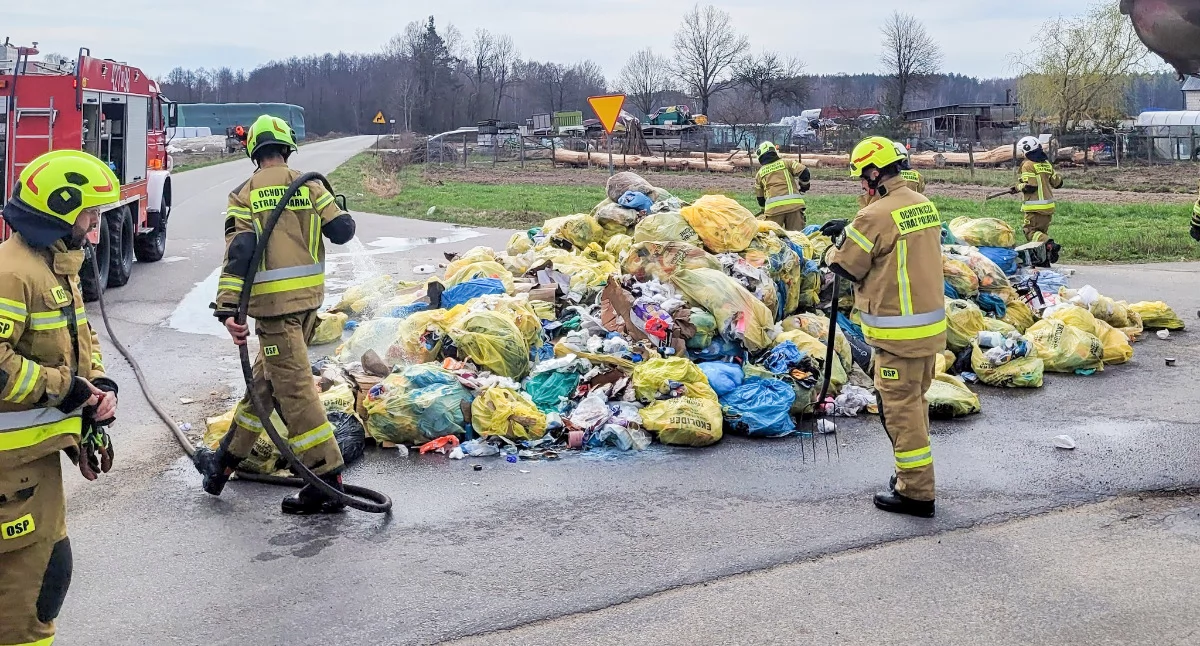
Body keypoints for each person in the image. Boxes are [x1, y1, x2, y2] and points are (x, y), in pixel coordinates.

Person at [193, 115, 358, 515]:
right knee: (265, 386)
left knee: (296, 392)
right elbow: (343, 230)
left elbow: (241, 253)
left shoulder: (244, 194)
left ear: (254, 151)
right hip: (307, 305)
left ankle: (326, 481)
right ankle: (224, 462)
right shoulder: (311, 185)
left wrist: (229, 309)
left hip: (273, 312)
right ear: (287, 147)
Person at [0, 149, 121, 646]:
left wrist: (98, 389)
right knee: (27, 604)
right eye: (88, 217)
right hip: (11, 474)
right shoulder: (14, 274)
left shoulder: (54, 267)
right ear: (58, 212)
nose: (92, 230)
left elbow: (77, 338)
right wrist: (67, 390)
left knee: (48, 576)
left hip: (33, 465)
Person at [820, 136, 946, 518]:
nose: (860, 184)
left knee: (899, 411)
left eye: (861, 176)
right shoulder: (923, 205)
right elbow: (891, 241)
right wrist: (854, 226)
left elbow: (845, 266)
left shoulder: (873, 216)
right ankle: (909, 476)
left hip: (897, 336)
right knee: (915, 403)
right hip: (927, 331)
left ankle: (916, 492)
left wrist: (834, 244)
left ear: (875, 173)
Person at [1013, 136, 1064, 256]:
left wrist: (1017, 187)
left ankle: (1050, 245)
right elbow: (1058, 183)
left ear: (1027, 149)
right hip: (1048, 207)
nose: (1022, 154)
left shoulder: (1028, 165)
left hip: (1034, 208)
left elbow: (1030, 186)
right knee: (1040, 233)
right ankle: (1045, 258)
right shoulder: (1046, 164)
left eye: (1022, 151)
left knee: (1030, 232)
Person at [754, 141, 811, 231]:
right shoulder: (787, 163)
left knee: (772, 240)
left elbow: (760, 199)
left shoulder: (759, 174)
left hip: (773, 211)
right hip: (794, 207)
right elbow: (804, 172)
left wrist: (764, 209)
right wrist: (804, 186)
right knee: (798, 239)